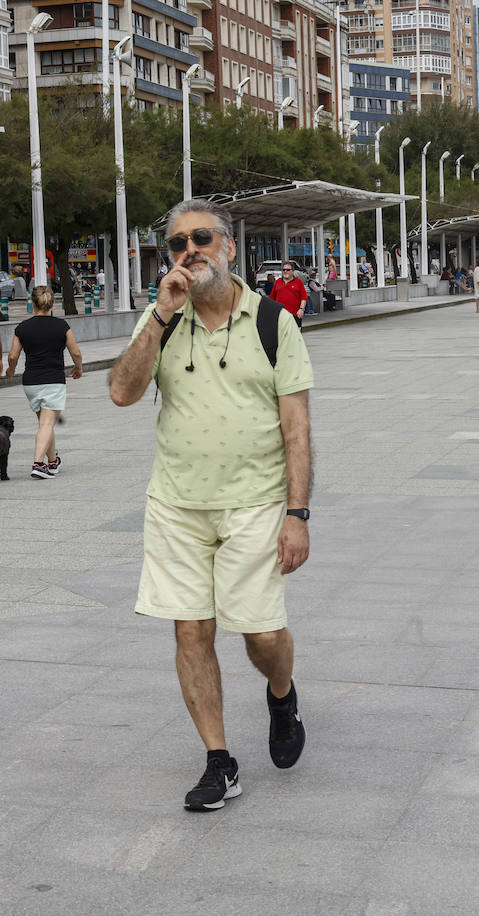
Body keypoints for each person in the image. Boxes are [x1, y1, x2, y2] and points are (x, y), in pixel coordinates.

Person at [107, 198, 313, 811]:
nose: (189, 251)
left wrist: (296, 515)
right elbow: (120, 392)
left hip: (254, 503)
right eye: (177, 244)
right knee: (191, 629)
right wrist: (161, 314)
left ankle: (281, 691)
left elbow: (296, 430)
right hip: (177, 505)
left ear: (227, 247)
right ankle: (219, 761)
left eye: (201, 238)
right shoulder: (162, 322)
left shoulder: (274, 322)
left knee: (259, 633)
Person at [4, 285, 83, 479]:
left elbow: (13, 355)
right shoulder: (61, 326)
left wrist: (11, 370)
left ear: (32, 303)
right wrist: (78, 367)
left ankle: (53, 461)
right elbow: (76, 352)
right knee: (46, 424)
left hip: (31, 382)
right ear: (52, 304)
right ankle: (38, 465)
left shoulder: (22, 327)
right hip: (53, 380)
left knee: (45, 422)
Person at [270, 261, 309, 328]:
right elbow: (272, 298)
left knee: (295, 337)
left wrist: (301, 309)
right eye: (284, 270)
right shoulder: (278, 282)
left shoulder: (298, 282)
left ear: (293, 271)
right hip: (280, 315)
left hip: (295, 314)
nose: (285, 271)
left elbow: (304, 297)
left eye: (288, 270)